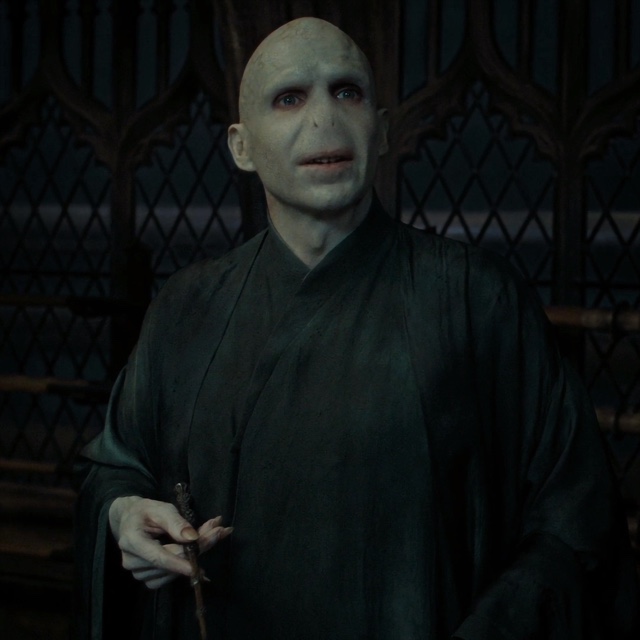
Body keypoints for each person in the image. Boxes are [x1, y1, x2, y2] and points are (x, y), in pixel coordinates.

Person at [75, 16, 639, 640]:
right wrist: (124, 514)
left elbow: (575, 517)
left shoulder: (478, 300)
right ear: (241, 146)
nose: (325, 118)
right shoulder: (187, 308)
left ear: (383, 128)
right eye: (289, 98)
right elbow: (115, 466)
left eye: (347, 92)